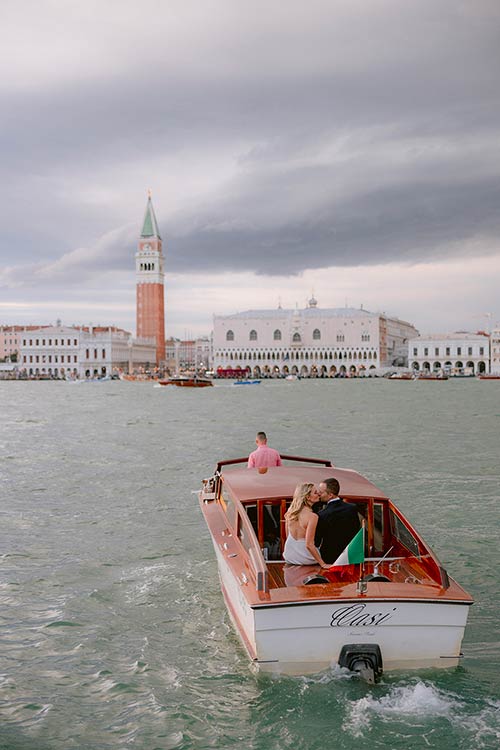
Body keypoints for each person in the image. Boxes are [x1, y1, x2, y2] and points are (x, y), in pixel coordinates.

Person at [315, 477, 361, 564]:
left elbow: (317, 541)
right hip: (350, 555)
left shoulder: (322, 515)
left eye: (321, 492)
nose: (319, 494)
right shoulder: (352, 508)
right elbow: (356, 530)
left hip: (329, 558)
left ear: (330, 495)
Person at [283, 483, 330, 568]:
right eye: (315, 492)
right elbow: (309, 544)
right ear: (308, 497)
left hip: (289, 556)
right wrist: (323, 564)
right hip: (306, 558)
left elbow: (287, 536)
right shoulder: (313, 517)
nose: (319, 494)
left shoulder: (290, 513)